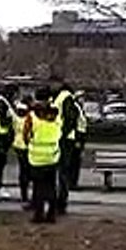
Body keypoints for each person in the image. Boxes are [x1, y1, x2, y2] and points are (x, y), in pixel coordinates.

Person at [25, 88, 63, 224]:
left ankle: (39, 213)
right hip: (52, 155)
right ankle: (51, 213)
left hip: (36, 157)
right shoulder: (57, 115)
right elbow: (60, 131)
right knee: (51, 186)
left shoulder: (32, 116)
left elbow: (26, 134)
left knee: (38, 187)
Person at [53, 83, 86, 215]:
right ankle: (61, 202)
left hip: (63, 139)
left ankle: (60, 202)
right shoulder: (66, 99)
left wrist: (61, 134)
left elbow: (68, 119)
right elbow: (71, 119)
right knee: (63, 172)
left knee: (61, 172)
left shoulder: (62, 98)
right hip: (67, 139)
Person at [0, 89, 16, 194]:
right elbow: (4, 120)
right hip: (1, 137)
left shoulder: (2, 103)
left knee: (0, 163)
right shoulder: (3, 104)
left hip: (1, 137)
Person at [12, 100, 32, 207]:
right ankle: (25, 194)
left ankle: (24, 194)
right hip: (26, 146)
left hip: (18, 145)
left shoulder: (15, 118)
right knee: (26, 171)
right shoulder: (28, 119)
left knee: (23, 171)